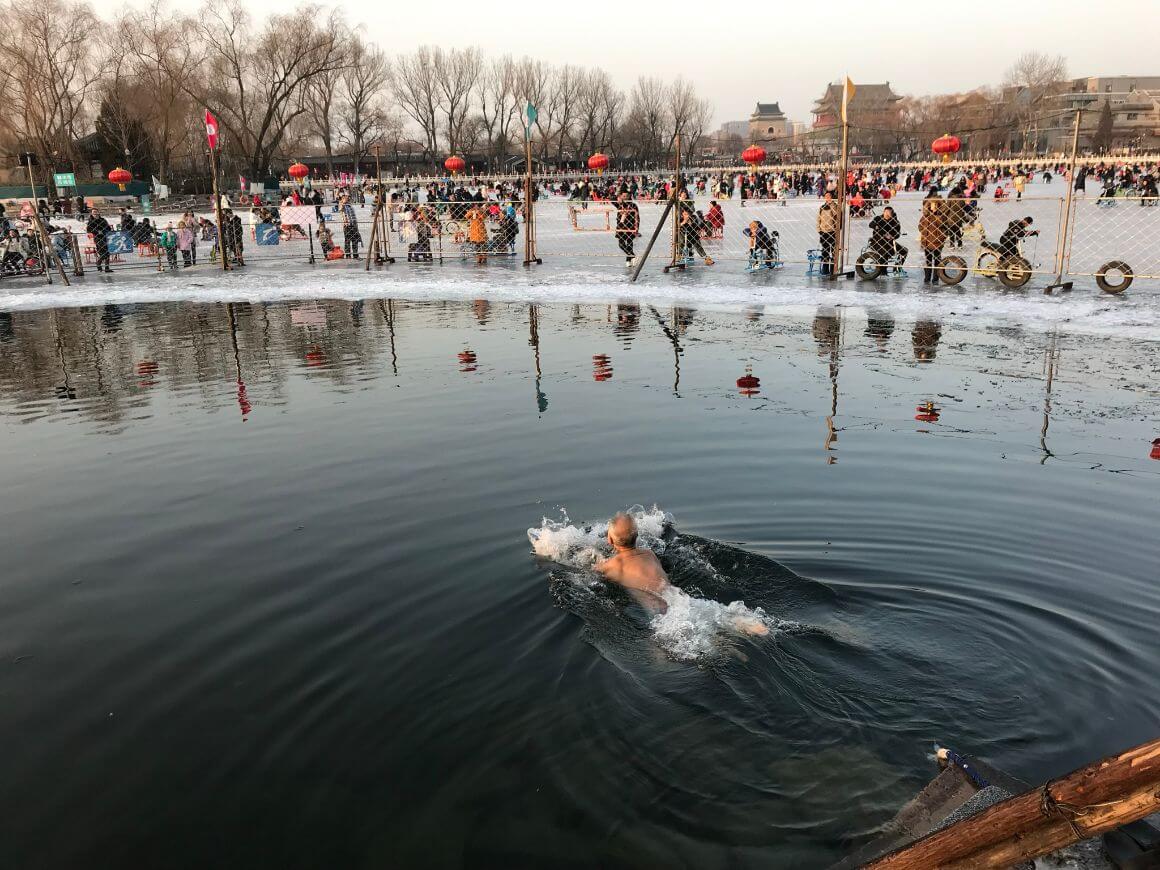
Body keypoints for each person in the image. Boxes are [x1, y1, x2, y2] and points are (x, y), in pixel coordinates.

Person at [595, 513, 768, 635]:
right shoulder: (649, 554)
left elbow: (591, 570)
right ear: (637, 536)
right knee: (711, 614)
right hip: (681, 599)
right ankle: (744, 624)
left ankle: (724, 645)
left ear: (609, 540)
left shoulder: (612, 566)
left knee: (665, 653)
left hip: (660, 613)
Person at [917, 199, 947, 284]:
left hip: (937, 241)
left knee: (937, 260)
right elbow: (920, 226)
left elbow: (944, 226)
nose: (933, 206)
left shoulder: (941, 215)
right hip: (927, 241)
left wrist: (941, 237)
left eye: (935, 205)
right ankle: (927, 277)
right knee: (928, 260)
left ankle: (936, 278)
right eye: (932, 205)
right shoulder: (925, 216)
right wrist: (923, 232)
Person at [816, 191, 840, 275]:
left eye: (829, 196)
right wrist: (819, 229)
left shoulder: (835, 206)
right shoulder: (822, 207)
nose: (827, 198)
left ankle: (833, 269)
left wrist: (831, 204)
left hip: (832, 231)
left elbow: (836, 214)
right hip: (823, 231)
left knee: (833, 251)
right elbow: (818, 218)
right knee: (825, 251)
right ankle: (825, 269)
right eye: (826, 196)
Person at [615, 192, 639, 265]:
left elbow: (637, 217)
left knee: (629, 244)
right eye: (623, 196)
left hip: (630, 227)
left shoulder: (633, 205)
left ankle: (628, 260)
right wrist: (618, 195)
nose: (625, 197)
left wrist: (637, 228)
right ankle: (632, 256)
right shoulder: (620, 205)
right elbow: (611, 199)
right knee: (621, 244)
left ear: (629, 196)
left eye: (626, 196)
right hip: (620, 227)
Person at [86, 207, 113, 273]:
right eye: (93, 212)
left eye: (96, 212)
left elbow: (108, 228)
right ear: (92, 214)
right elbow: (89, 230)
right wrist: (97, 231)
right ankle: (98, 263)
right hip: (98, 238)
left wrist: (105, 230)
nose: (95, 213)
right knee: (102, 253)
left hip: (105, 237)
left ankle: (106, 267)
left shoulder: (103, 220)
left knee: (107, 253)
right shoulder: (90, 221)